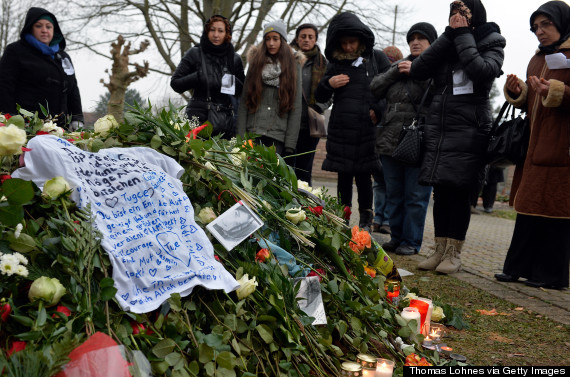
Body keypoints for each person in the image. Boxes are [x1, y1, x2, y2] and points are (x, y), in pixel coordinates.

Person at [410, 0, 506, 274]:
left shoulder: (493, 40)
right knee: (440, 192)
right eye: (453, 14)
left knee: (461, 192)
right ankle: (439, 249)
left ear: (475, 15)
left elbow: (482, 71)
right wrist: (448, 35)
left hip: (470, 128)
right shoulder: (449, 39)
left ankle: (454, 253)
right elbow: (418, 71)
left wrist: (462, 35)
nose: (456, 18)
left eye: (462, 14)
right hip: (440, 128)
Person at [495, 1, 570, 290]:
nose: (539, 32)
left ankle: (551, 275)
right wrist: (519, 92)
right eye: (535, 27)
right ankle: (517, 268)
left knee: (556, 211)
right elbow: (533, 103)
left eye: (546, 25)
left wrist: (557, 91)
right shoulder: (537, 58)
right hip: (534, 145)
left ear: (562, 23)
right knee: (528, 209)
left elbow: (559, 95)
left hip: (562, 147)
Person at [315, 12, 390, 231]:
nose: (348, 47)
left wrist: (379, 110)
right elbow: (320, 96)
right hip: (341, 129)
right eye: (344, 43)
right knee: (344, 177)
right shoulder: (336, 64)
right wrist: (329, 82)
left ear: (361, 39)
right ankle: (342, 218)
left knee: (365, 176)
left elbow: (390, 89)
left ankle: (366, 219)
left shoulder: (377, 59)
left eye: (352, 42)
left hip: (366, 130)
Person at [370, 22, 438, 255]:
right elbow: (375, 87)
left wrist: (418, 71)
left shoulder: (436, 70)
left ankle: (411, 241)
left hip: (419, 143)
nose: (415, 42)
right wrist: (394, 70)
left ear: (432, 43)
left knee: (416, 197)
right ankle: (396, 238)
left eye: (421, 38)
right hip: (390, 141)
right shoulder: (399, 66)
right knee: (394, 194)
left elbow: (437, 95)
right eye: (412, 38)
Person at [0, 7, 83, 130]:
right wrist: (10, 118)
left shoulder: (63, 57)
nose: (44, 30)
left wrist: (77, 118)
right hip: (26, 126)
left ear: (54, 30)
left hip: (60, 128)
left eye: (48, 27)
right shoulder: (15, 51)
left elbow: (72, 90)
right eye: (38, 26)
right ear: (30, 28)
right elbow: (4, 86)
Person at [171, 15, 245, 139]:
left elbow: (243, 90)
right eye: (212, 30)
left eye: (220, 31)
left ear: (227, 34)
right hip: (197, 118)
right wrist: (198, 76)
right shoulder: (195, 53)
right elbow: (176, 83)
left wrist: (228, 80)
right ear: (207, 31)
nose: (216, 35)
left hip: (223, 123)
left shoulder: (234, 58)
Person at [236, 20, 304, 155]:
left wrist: (290, 144)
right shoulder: (255, 64)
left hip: (277, 136)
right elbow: (244, 102)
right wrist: (240, 137)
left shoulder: (293, 67)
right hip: (253, 133)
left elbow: (296, 106)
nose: (271, 43)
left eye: (275, 38)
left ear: (282, 41)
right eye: (267, 39)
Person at [288, 24, 331, 185]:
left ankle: (305, 207)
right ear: (297, 38)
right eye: (303, 36)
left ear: (315, 40)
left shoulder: (323, 63)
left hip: (310, 125)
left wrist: (320, 106)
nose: (306, 40)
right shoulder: (286, 58)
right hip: (287, 123)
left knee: (304, 170)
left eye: (310, 37)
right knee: (286, 168)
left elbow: (330, 92)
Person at [370, 46, 404, 236]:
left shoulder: (399, 83)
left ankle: (387, 219)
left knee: (390, 183)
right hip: (379, 137)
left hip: (392, 138)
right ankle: (378, 217)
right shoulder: (379, 82)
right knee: (379, 182)